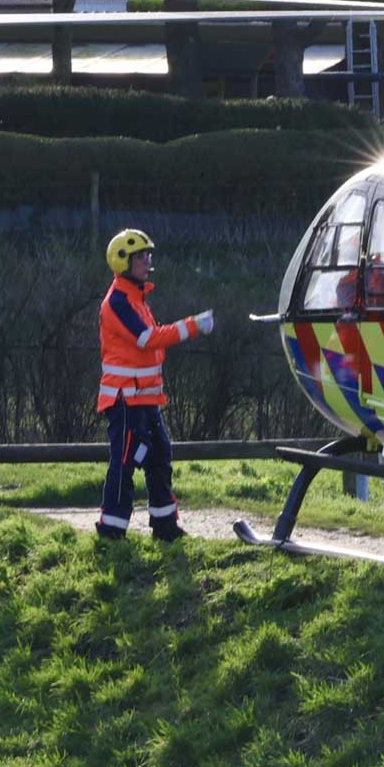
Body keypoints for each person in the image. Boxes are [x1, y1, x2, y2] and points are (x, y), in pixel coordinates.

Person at [95, 228, 213, 542]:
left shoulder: (136, 298)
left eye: (148, 254)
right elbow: (147, 339)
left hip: (144, 399)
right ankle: (111, 530)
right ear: (123, 261)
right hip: (125, 399)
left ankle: (165, 528)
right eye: (141, 256)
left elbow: (150, 338)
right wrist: (193, 326)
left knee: (160, 456)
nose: (148, 261)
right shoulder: (119, 301)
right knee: (126, 461)